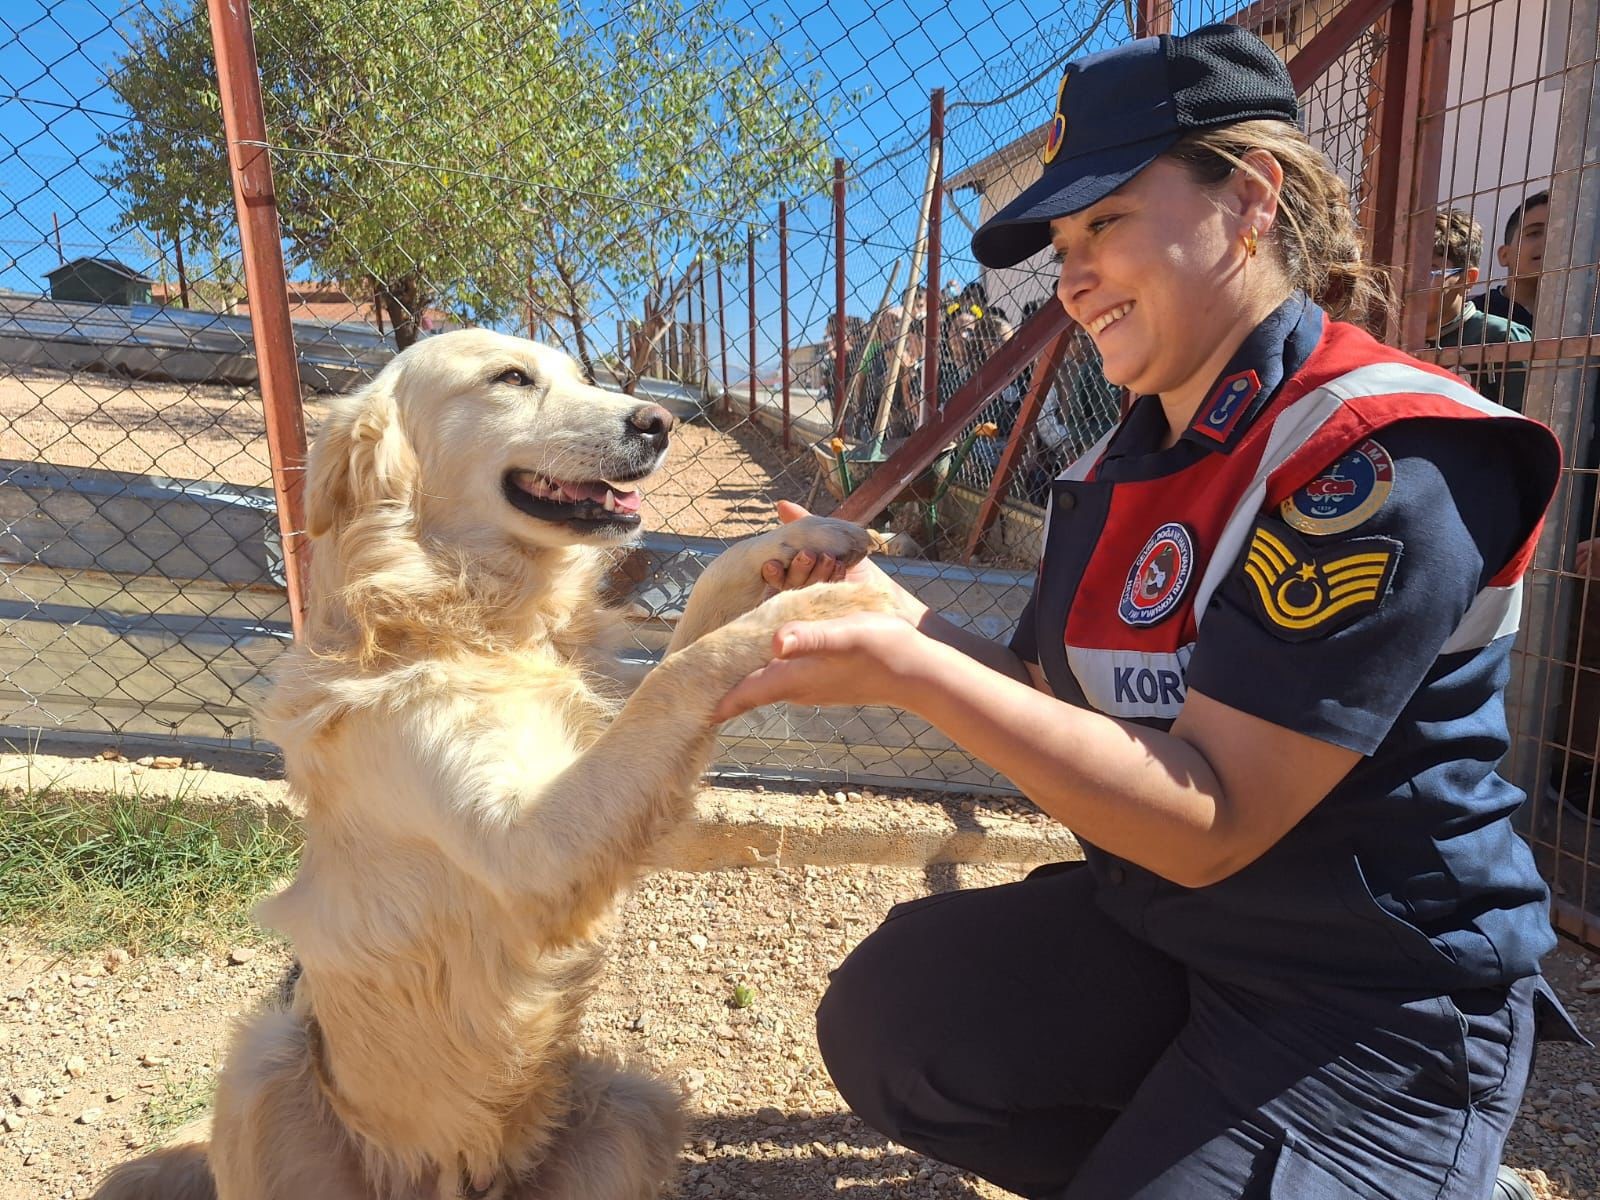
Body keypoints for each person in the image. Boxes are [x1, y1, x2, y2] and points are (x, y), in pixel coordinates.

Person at [717, 24, 1586, 1200]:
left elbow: (1210, 817)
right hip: (1176, 936)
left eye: (1106, 222)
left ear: (1249, 201)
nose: (1070, 276)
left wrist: (906, 671)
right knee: (900, 1019)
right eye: (1061, 241)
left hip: (1369, 995)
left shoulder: (1376, 454)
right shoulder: (1131, 454)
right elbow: (1052, 701)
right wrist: (899, 617)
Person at [1424, 207, 1532, 411]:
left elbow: (1528, 420)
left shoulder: (1501, 336)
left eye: (1431, 270)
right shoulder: (1392, 337)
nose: (1414, 283)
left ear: (1467, 279)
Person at [1470, 189, 1547, 332]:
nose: (1550, 241)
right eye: (1534, 233)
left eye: (1563, 233)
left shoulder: (1591, 316)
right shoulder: (1471, 318)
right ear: (1505, 255)